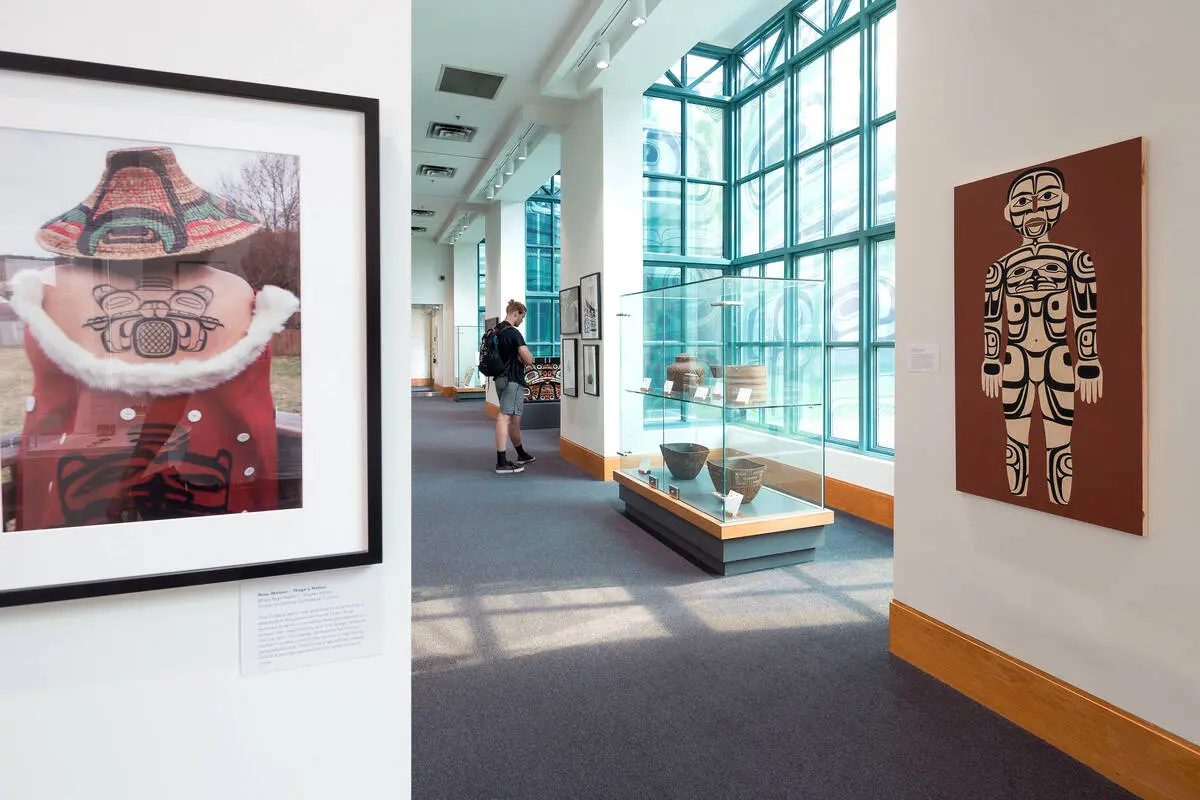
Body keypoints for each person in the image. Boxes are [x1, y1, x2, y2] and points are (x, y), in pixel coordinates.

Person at [11, 145, 299, 529]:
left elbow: (51, 412)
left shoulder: (53, 293)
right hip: (218, 490)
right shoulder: (238, 293)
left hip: (84, 501)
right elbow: (250, 413)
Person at [980, 165, 1101, 505]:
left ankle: (1058, 502)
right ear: (1009, 213)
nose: (1034, 210)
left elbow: (1085, 315)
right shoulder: (1000, 268)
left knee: (1059, 440)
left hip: (1056, 355)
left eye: (1045, 198)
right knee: (1014, 439)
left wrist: (1088, 360)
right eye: (1022, 202)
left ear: (1062, 203)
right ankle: (1016, 498)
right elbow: (994, 319)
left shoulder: (1075, 260)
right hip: (1015, 357)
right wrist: (991, 360)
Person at [492, 299, 535, 474]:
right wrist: (523, 357)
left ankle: (521, 453)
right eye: (521, 317)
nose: (521, 321)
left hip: (499, 379)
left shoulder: (496, 330)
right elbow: (529, 358)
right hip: (512, 380)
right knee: (504, 417)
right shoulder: (513, 333)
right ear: (515, 313)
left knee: (513, 419)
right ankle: (501, 462)